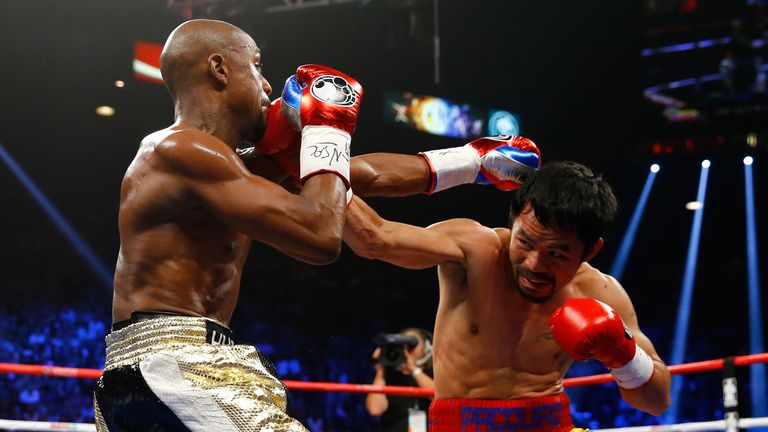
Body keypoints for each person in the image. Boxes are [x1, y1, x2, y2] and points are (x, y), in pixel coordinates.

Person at [93, 19, 364, 431]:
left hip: (180, 365)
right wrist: (329, 127)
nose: (268, 85)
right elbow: (320, 234)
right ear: (219, 69)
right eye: (256, 65)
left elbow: (360, 176)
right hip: (171, 365)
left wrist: (468, 162)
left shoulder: (224, 167)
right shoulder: (180, 148)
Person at [343, 161, 672, 431]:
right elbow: (375, 238)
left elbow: (656, 402)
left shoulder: (599, 291)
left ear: (591, 251)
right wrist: (319, 167)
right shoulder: (473, 249)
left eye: (556, 253)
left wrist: (623, 354)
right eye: (525, 242)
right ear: (513, 221)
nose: (534, 265)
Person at [366, 328, 435, 432]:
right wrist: (381, 368)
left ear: (426, 347)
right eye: (403, 344)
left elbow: (438, 397)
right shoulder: (387, 378)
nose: (407, 349)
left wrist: (414, 370)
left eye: (412, 344)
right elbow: (375, 409)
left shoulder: (433, 374)